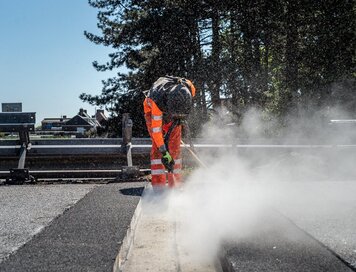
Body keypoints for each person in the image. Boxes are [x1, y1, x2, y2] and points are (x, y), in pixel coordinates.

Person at [143, 76, 196, 188]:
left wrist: (180, 117)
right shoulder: (157, 102)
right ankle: (159, 186)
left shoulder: (189, 88)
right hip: (152, 111)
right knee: (158, 150)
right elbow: (157, 132)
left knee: (175, 147)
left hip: (174, 111)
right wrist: (164, 151)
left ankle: (175, 184)